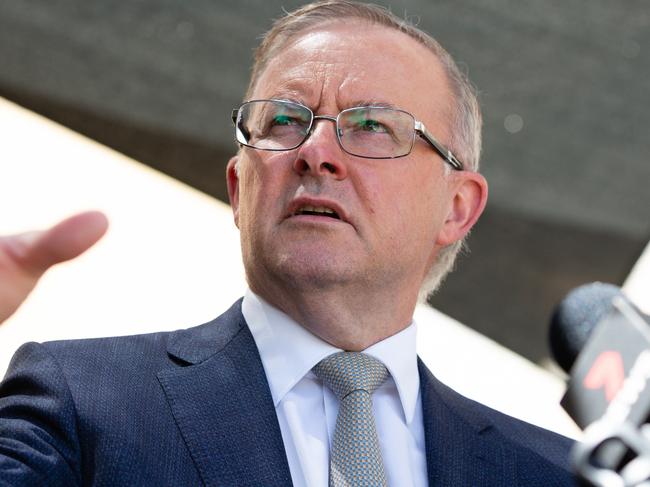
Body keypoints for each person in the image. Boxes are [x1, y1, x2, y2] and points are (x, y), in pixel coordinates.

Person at [0, 1, 576, 485]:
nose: (315, 151)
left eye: (371, 125)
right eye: (282, 121)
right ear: (238, 189)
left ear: (456, 208)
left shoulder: (556, 472)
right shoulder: (80, 401)